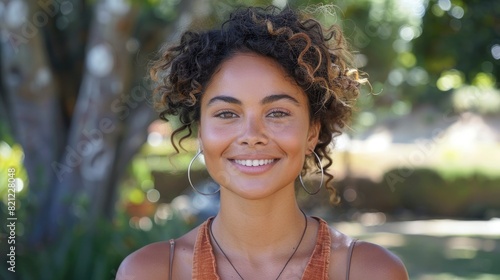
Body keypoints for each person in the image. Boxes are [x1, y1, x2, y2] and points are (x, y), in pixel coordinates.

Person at [117, 5, 408, 280]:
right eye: (227, 113)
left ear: (311, 133)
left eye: (278, 112)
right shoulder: (151, 272)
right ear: (202, 135)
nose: (252, 135)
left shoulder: (368, 272)